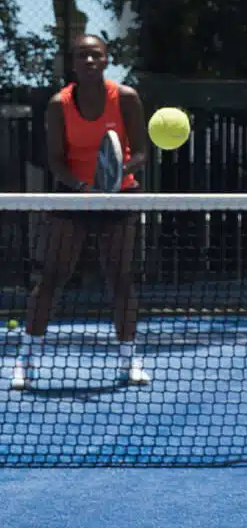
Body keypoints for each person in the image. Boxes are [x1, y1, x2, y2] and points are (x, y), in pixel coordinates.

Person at [12, 32, 149, 388]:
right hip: (72, 197)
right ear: (73, 63)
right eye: (82, 56)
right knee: (52, 277)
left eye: (96, 55)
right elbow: (55, 161)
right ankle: (25, 362)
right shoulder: (59, 104)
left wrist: (118, 175)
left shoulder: (127, 98)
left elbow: (141, 153)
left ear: (107, 60)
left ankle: (129, 361)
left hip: (119, 197)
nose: (89, 61)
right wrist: (83, 188)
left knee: (120, 279)